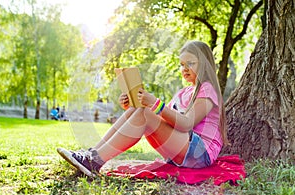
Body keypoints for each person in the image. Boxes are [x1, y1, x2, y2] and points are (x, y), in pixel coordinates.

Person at [57, 41, 229, 177]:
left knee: (146, 112)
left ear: (204, 64)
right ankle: (92, 154)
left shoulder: (207, 89)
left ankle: (93, 160)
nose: (184, 69)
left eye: (190, 63)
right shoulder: (184, 92)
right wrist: (131, 105)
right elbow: (163, 119)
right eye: (182, 64)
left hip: (200, 154)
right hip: (184, 148)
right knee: (139, 110)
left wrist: (155, 104)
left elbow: (185, 123)